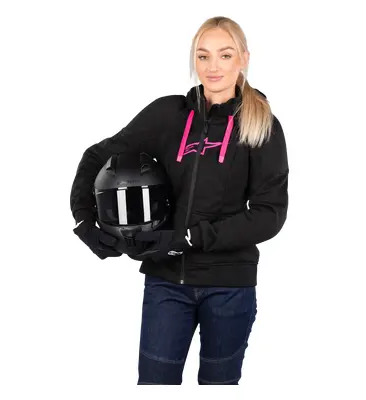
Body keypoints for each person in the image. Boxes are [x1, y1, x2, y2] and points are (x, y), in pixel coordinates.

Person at [70, 16, 289, 385]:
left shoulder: (261, 125)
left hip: (230, 287)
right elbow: (97, 156)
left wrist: (189, 238)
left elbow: (270, 215)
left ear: (243, 59)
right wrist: (84, 219)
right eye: (203, 56)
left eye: (225, 55)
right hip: (166, 282)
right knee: (155, 385)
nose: (213, 66)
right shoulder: (168, 115)